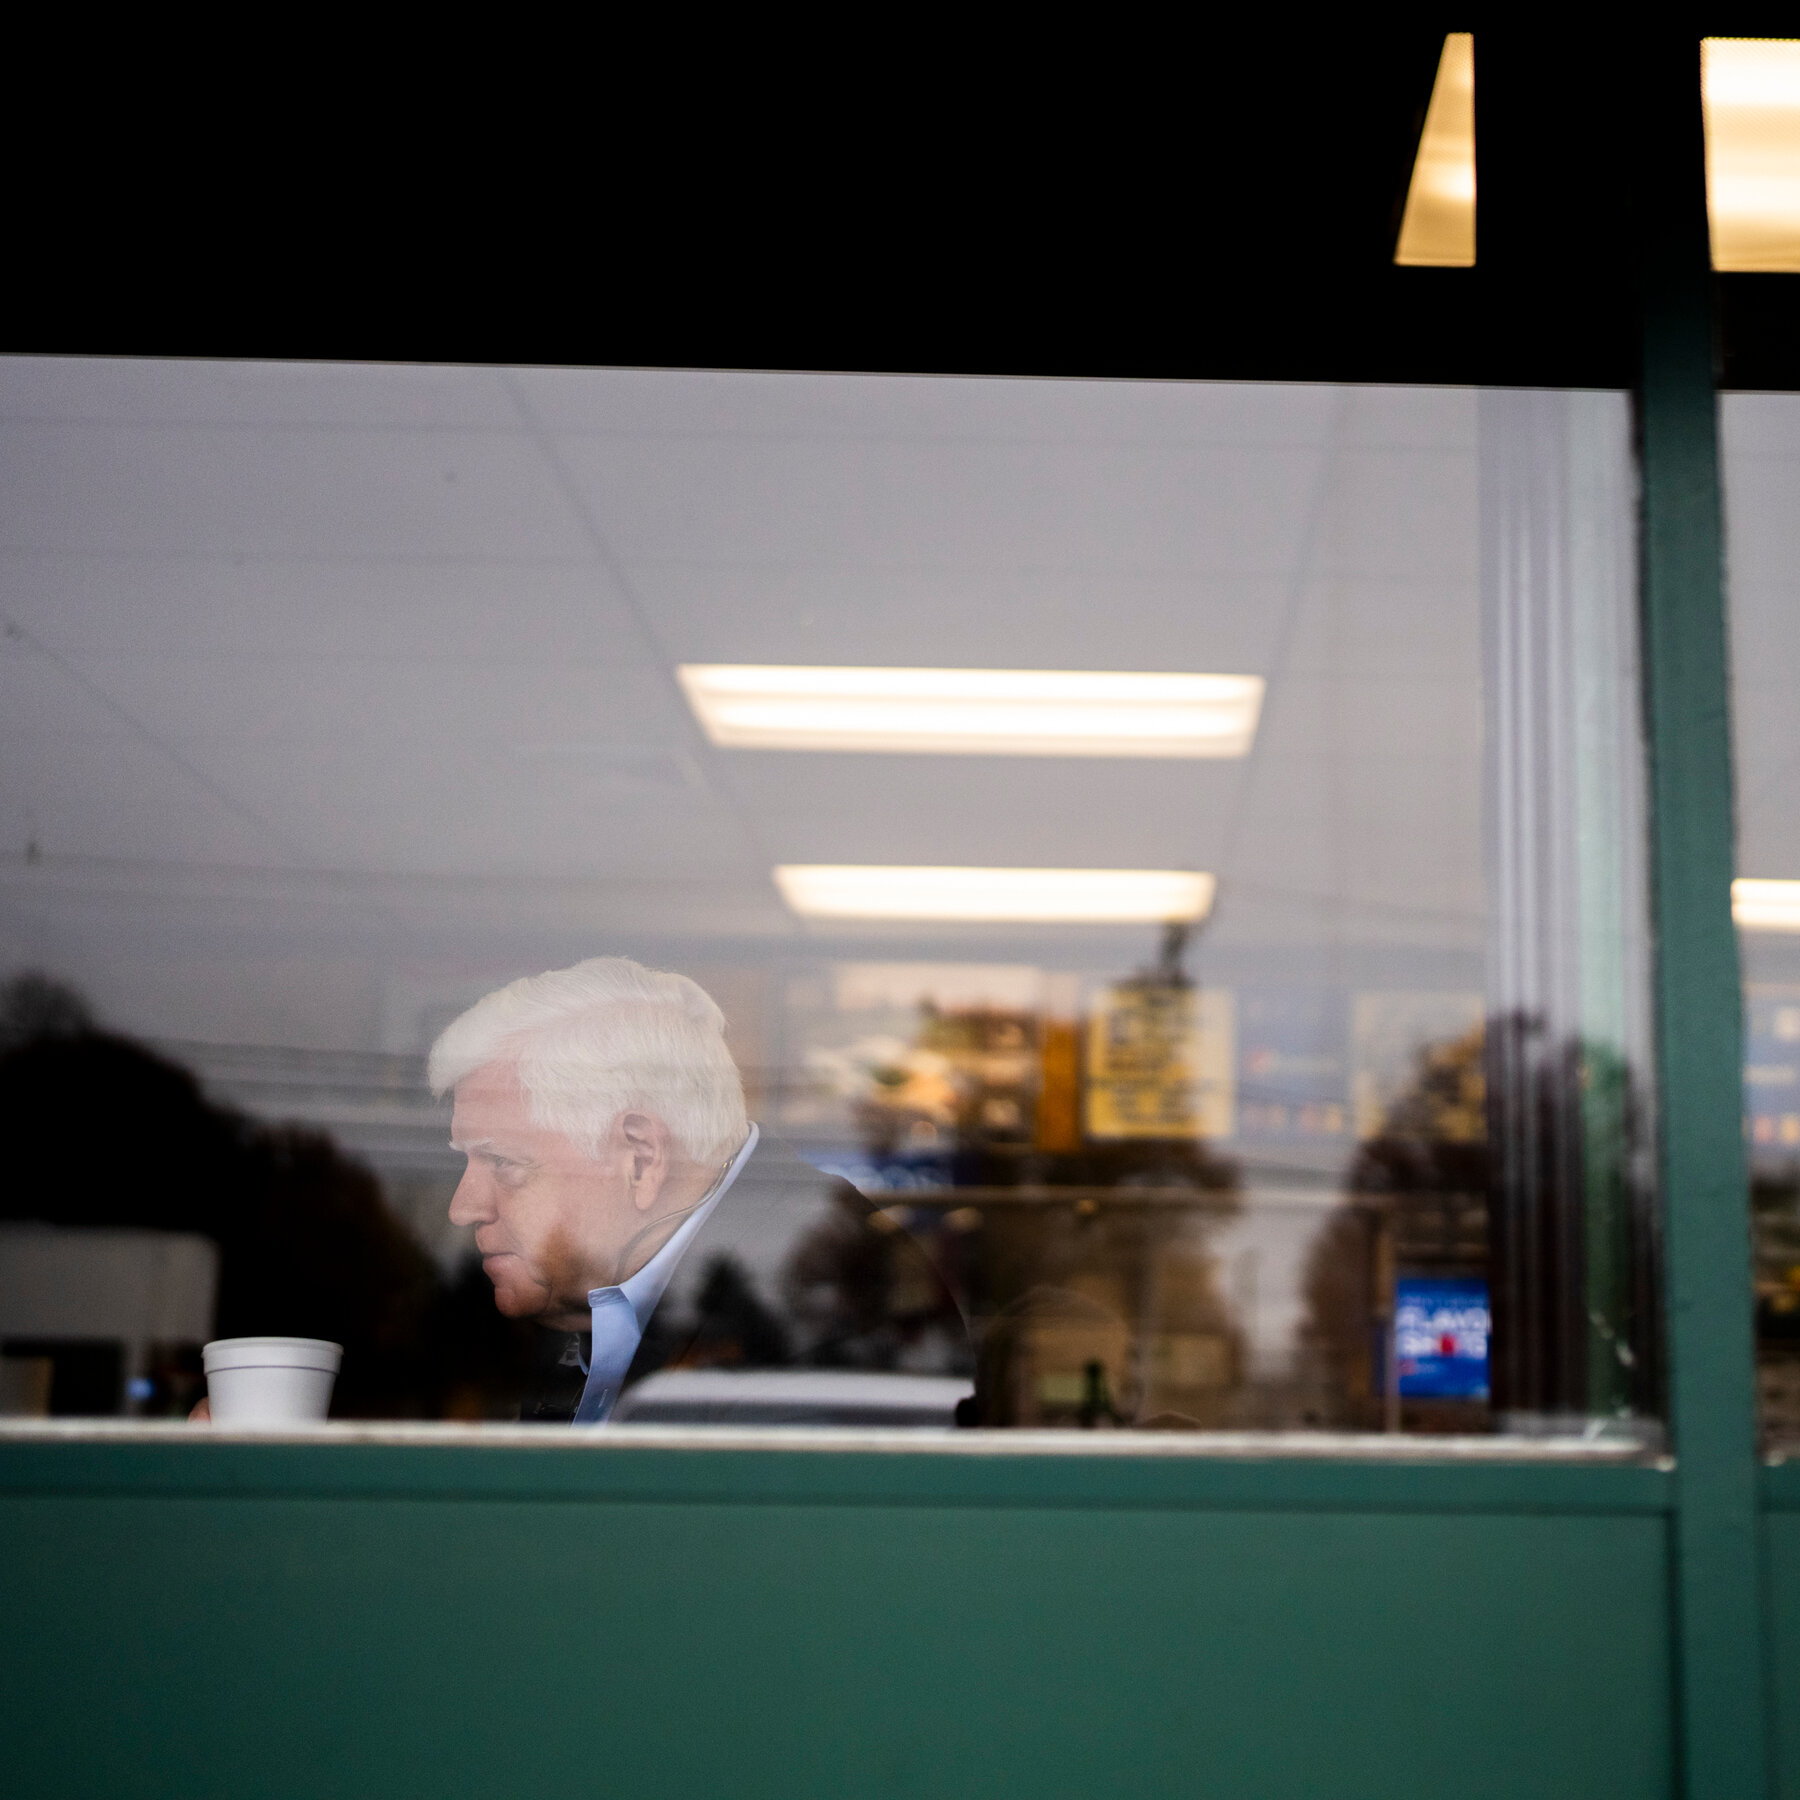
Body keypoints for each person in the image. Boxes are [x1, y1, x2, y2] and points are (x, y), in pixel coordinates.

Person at [430, 956, 967, 1423]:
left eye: (502, 1161)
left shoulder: (813, 1302)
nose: (463, 1207)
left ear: (642, 1159)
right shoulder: (582, 1290)